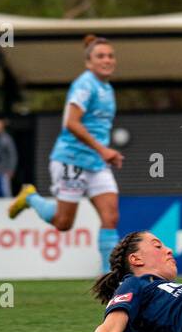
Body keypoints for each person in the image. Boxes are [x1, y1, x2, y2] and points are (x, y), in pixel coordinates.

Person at [9, 36, 122, 269]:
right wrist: (103, 149)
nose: (107, 60)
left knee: (110, 216)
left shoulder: (107, 88)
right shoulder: (85, 84)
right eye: (100, 56)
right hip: (72, 159)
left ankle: (109, 278)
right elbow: (72, 122)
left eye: (110, 55)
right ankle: (30, 197)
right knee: (63, 222)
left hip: (96, 163)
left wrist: (103, 152)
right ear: (88, 63)